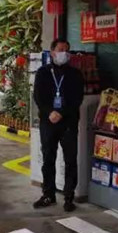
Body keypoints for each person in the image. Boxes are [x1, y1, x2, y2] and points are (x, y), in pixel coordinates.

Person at [33, 39, 84, 212]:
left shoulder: (75, 74)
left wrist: (61, 113)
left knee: (70, 160)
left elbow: (77, 98)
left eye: (67, 50)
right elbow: (38, 96)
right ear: (52, 52)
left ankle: (69, 197)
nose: (64, 53)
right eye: (61, 49)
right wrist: (50, 112)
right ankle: (48, 194)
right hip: (48, 122)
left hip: (68, 122)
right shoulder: (43, 72)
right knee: (48, 158)